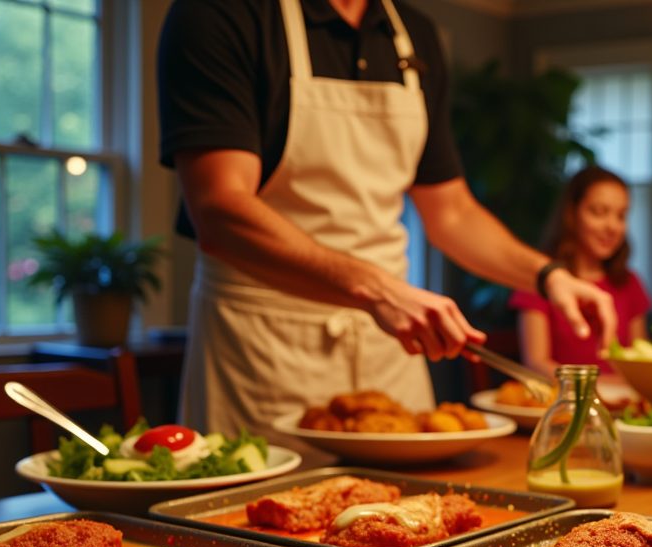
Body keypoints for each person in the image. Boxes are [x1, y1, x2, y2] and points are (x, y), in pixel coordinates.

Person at [156, 0, 617, 453]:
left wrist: (549, 276)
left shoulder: (412, 33)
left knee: (409, 521)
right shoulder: (218, 13)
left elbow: (451, 212)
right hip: (262, 349)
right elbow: (220, 208)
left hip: (389, 346)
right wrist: (375, 289)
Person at [509, 166, 651, 378]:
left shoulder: (630, 283)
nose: (612, 226)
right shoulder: (543, 280)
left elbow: (640, 359)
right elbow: (536, 362)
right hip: (562, 403)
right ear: (572, 214)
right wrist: (596, 388)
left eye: (621, 215)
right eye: (598, 212)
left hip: (620, 406)